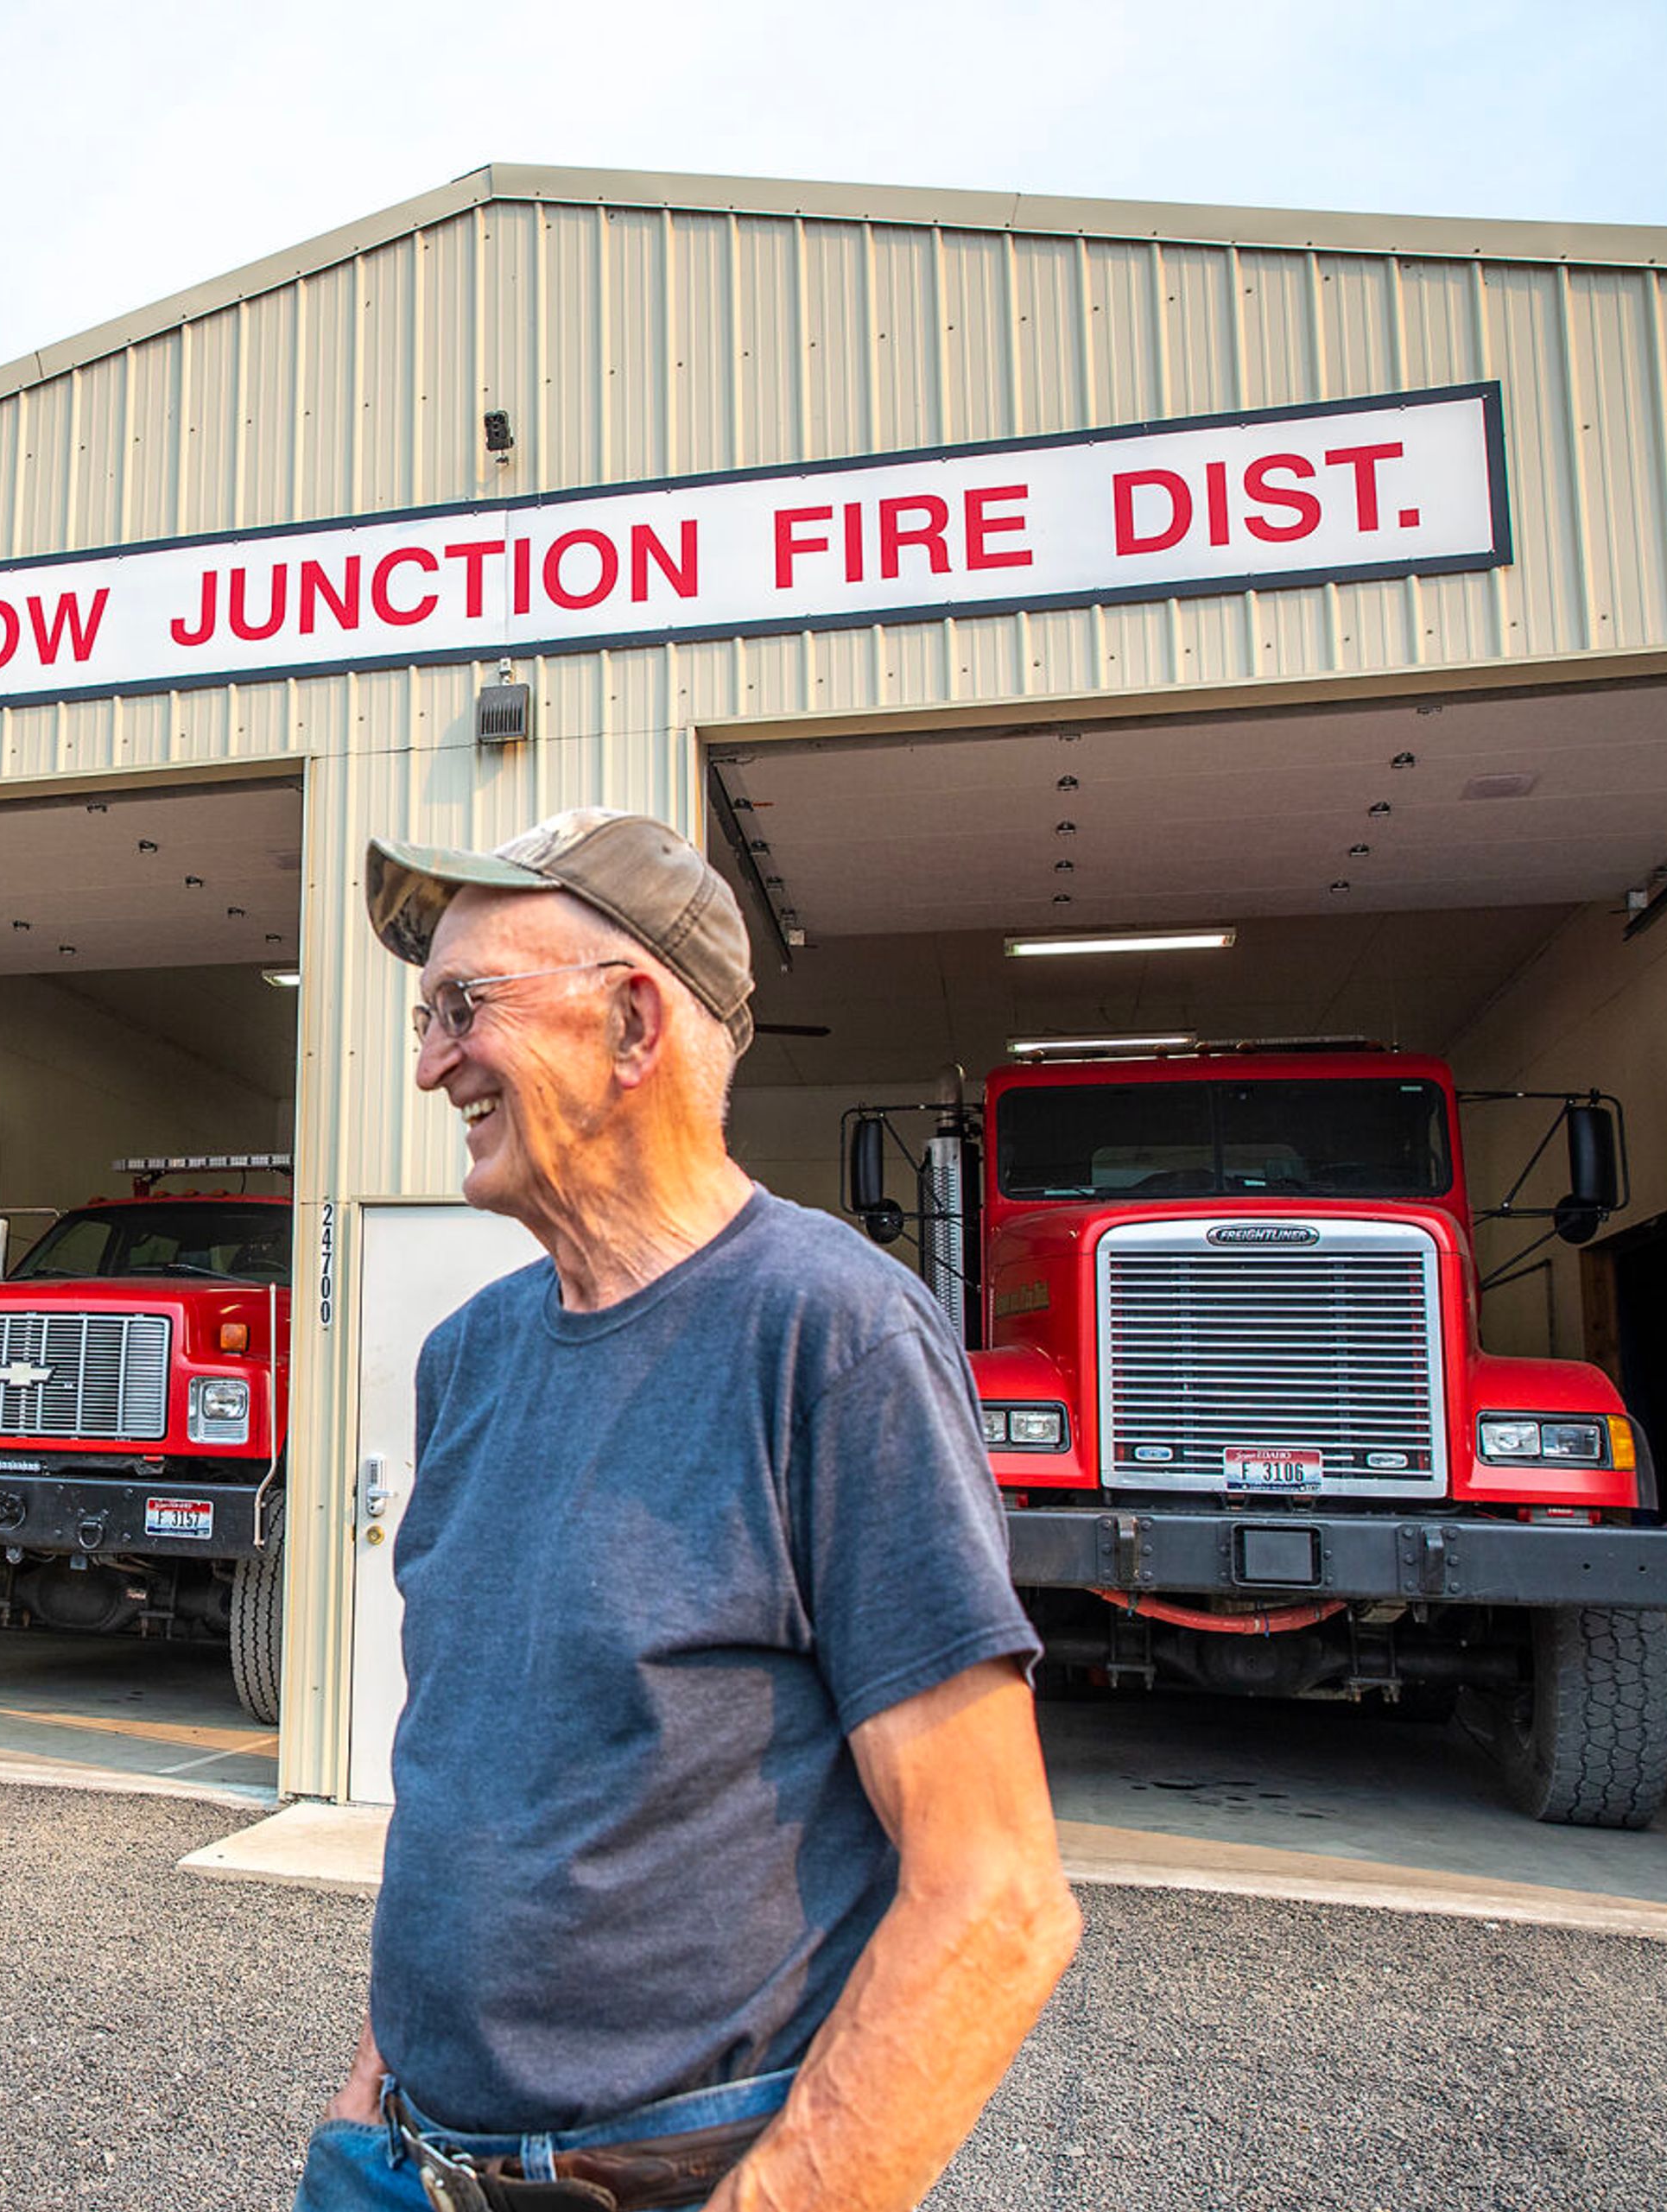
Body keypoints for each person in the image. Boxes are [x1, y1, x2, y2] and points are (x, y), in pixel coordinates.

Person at [300, 808, 1081, 2212]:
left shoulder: (834, 1338)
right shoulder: (466, 1356)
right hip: (397, 2160)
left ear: (633, 1023)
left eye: (463, 1007)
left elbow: (997, 1895)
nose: (429, 1064)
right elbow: (474, 1774)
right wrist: (370, 2085)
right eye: (426, 1016)